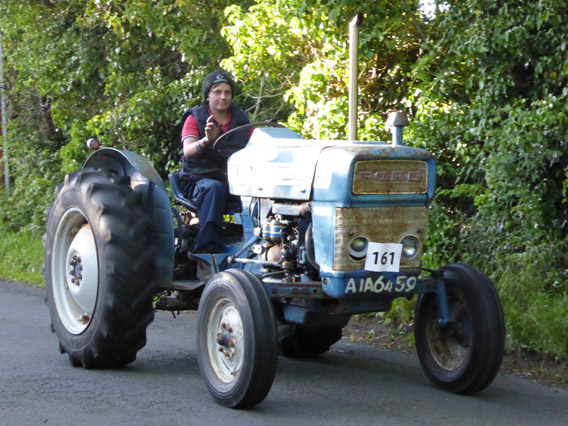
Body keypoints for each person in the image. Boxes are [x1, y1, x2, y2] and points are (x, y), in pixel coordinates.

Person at [179, 70, 251, 253]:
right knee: (214, 188)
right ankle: (206, 251)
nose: (223, 97)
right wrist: (206, 141)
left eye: (227, 92)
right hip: (198, 181)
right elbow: (188, 151)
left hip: (232, 181)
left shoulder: (241, 119)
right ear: (208, 95)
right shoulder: (194, 118)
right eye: (217, 92)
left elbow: (254, 145)